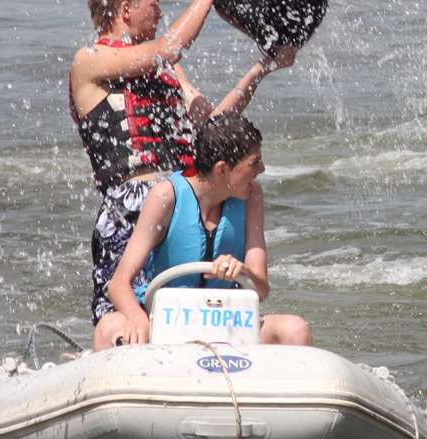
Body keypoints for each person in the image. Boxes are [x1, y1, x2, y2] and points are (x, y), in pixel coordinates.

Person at [70, 0, 297, 328]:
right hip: (130, 209)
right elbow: (170, 47)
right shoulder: (90, 61)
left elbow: (214, 134)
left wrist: (263, 68)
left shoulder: (170, 74)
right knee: (126, 321)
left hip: (181, 200)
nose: (160, 13)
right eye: (153, 4)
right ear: (126, 10)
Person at [97, 114, 311, 350]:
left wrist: (243, 270)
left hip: (228, 323)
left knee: (295, 330)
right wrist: (139, 321)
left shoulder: (252, 197)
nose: (262, 169)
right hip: (166, 322)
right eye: (254, 162)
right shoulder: (165, 197)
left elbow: (261, 290)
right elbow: (118, 284)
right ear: (222, 169)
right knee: (109, 327)